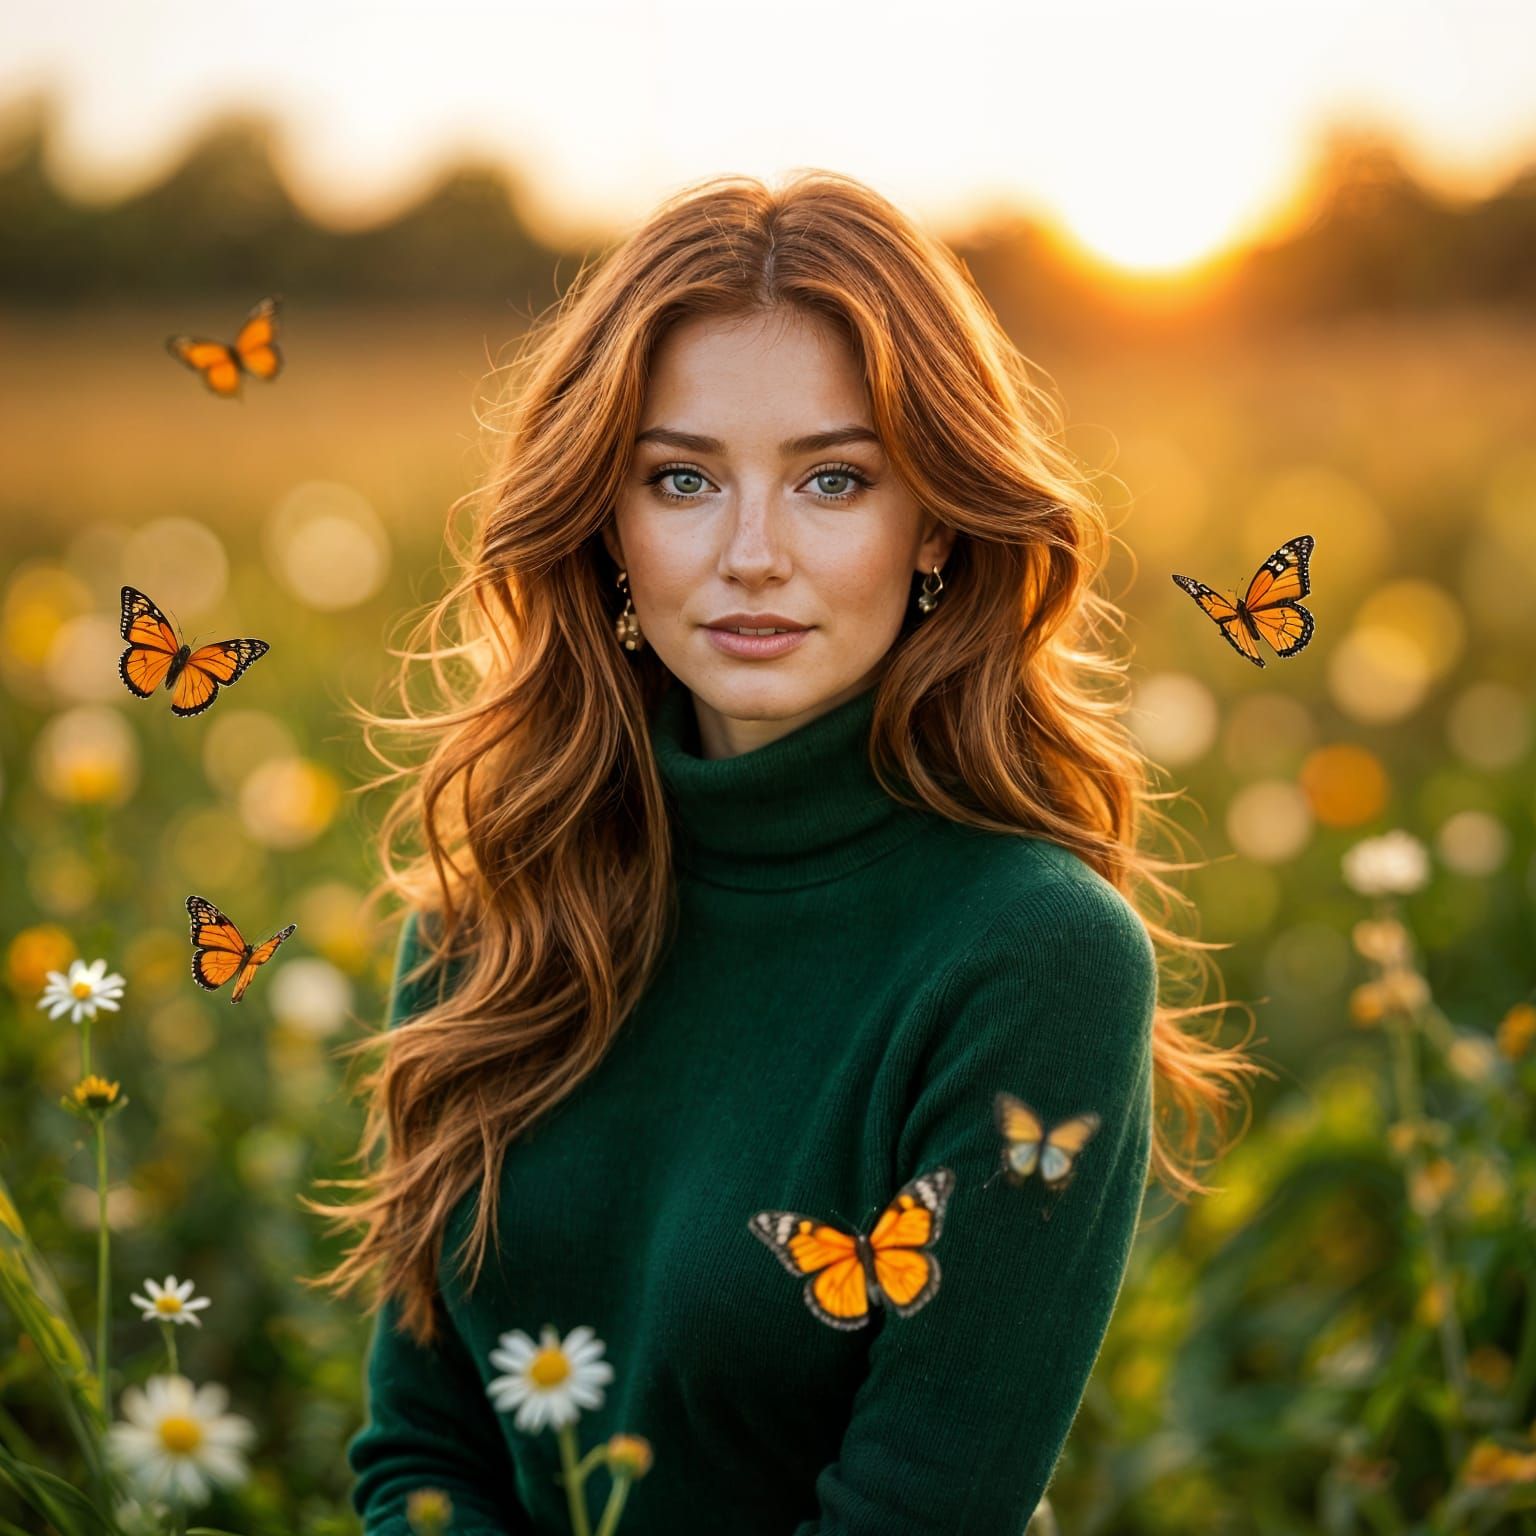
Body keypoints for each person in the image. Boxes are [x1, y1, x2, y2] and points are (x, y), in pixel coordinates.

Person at [302, 169, 1256, 1534]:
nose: (752, 554)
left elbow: (913, 1518)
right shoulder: (495, 910)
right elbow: (420, 1457)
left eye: (833, 479)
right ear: (606, 521)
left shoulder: (1035, 956)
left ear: (936, 521)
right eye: (682, 479)